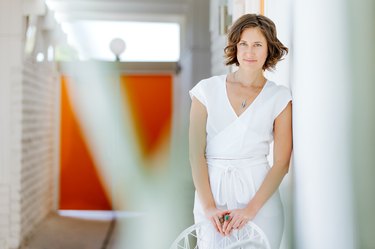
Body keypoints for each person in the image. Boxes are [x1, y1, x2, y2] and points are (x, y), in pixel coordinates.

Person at [188, 13, 292, 249]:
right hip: (212, 192)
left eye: (257, 45)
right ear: (234, 47)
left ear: (269, 50)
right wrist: (209, 208)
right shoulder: (205, 91)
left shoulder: (279, 97)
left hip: (260, 194)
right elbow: (196, 155)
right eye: (243, 44)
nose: (249, 52)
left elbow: (282, 163)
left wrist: (249, 210)